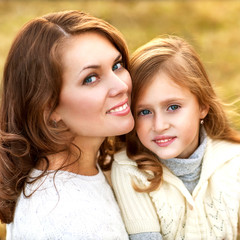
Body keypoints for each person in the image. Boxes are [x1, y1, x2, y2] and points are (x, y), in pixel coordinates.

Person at [0, 10, 134, 239]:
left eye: (117, 65)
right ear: (49, 108)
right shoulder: (67, 219)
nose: (121, 85)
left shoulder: (84, 168)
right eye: (90, 78)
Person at [111, 35, 240, 240]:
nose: (160, 125)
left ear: (202, 106)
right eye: (144, 112)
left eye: (173, 107)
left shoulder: (233, 161)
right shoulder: (130, 171)